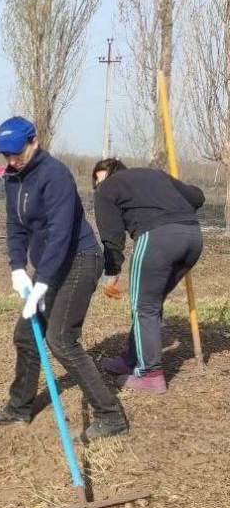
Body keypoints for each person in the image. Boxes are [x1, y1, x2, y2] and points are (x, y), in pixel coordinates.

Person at [0, 116, 128, 442]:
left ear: (35, 141)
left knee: (61, 339)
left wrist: (42, 283)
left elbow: (62, 235)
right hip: (50, 264)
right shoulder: (13, 178)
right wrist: (17, 267)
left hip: (79, 260)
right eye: (5, 154)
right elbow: (15, 227)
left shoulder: (55, 175)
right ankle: (20, 407)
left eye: (17, 152)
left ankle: (110, 415)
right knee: (26, 334)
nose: (12, 159)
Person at [91, 158, 205, 393]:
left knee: (144, 306)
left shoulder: (106, 190)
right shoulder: (155, 176)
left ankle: (150, 375)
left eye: (98, 181)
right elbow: (197, 196)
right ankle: (132, 359)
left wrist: (111, 272)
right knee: (150, 303)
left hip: (157, 239)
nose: (97, 186)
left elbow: (112, 236)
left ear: (111, 176)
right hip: (192, 238)